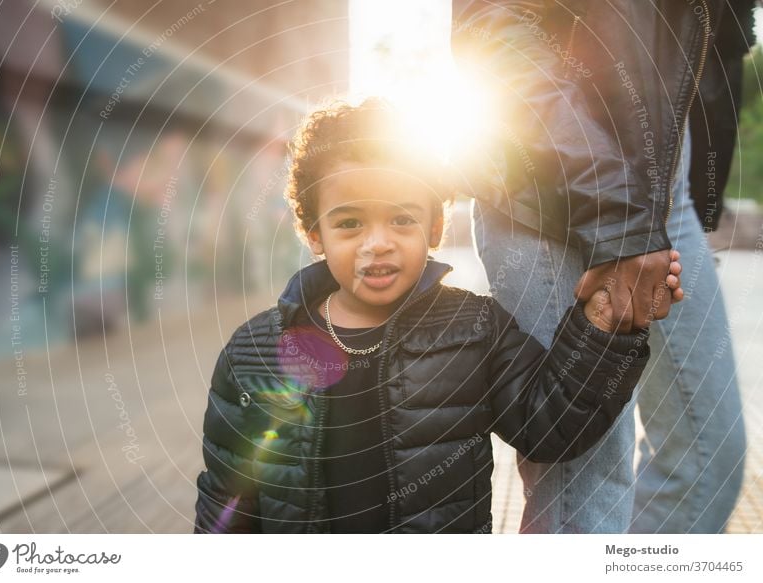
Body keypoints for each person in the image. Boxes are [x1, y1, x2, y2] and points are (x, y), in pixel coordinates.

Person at [192, 98, 682, 533]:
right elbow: (227, 499)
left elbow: (551, 425)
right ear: (314, 233)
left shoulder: (474, 330)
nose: (378, 241)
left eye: (402, 219)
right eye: (349, 222)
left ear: (433, 226)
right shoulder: (254, 352)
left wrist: (605, 324)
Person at [450, 0, 753, 533]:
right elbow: (496, 26)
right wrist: (619, 216)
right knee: (584, 489)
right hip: (551, 180)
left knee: (706, 459)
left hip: (666, 186)